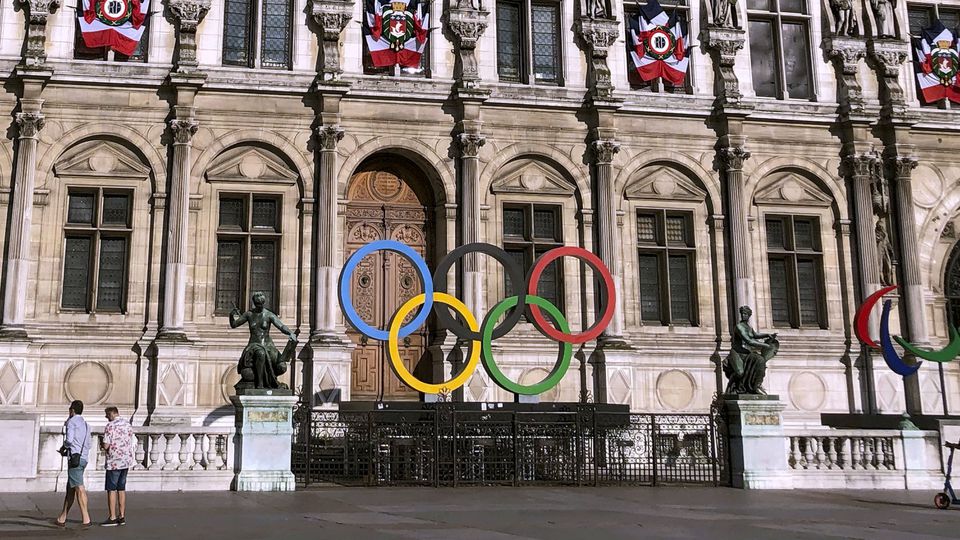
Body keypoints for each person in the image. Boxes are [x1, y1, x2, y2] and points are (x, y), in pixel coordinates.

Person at [229, 291, 297, 390]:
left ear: (263, 303)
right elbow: (234, 325)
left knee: (282, 366)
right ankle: (260, 384)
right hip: (254, 345)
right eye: (257, 304)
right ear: (254, 304)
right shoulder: (249, 314)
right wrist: (231, 316)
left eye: (261, 304)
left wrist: (290, 333)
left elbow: (281, 326)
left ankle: (272, 381)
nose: (260, 306)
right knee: (261, 354)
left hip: (268, 345)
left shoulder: (269, 315)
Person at [56, 400, 92, 528]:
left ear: (72, 410)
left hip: (74, 459)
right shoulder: (87, 425)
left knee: (78, 487)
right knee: (70, 488)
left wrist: (63, 447)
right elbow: (89, 444)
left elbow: (69, 440)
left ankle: (86, 518)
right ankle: (62, 517)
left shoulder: (72, 422)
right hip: (84, 458)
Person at [100, 406, 135, 527]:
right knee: (121, 488)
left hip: (114, 461)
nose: (106, 417)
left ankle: (112, 517)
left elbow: (106, 445)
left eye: (106, 415)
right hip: (125, 460)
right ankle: (122, 515)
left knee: (111, 489)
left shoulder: (110, 426)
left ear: (111, 414)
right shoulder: (127, 424)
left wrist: (102, 444)